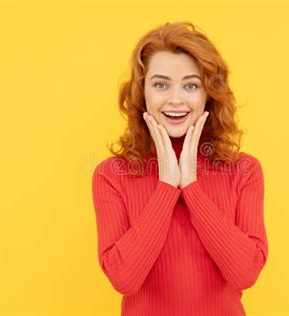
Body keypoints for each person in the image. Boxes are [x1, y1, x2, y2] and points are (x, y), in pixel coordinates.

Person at [92, 21, 268, 316]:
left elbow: (246, 274)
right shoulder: (111, 175)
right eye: (161, 84)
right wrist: (166, 186)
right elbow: (124, 279)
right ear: (142, 92)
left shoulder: (244, 171)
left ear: (208, 94)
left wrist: (191, 187)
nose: (176, 99)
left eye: (191, 85)